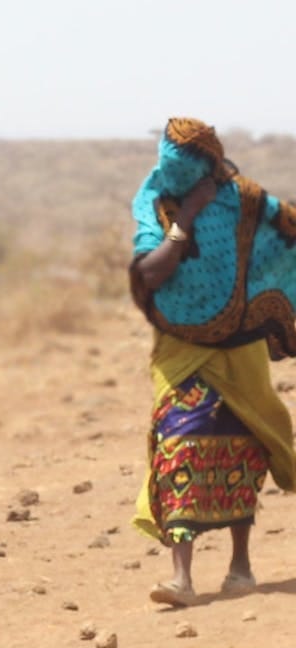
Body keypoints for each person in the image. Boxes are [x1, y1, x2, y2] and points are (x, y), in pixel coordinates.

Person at [129, 117, 296, 606]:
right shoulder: (156, 200)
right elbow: (151, 273)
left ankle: (240, 566)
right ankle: (181, 576)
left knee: (241, 445)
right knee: (178, 442)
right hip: (181, 350)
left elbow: (285, 229)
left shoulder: (243, 198)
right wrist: (189, 216)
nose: (172, 171)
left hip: (239, 346)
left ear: (209, 165)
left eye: (184, 167)